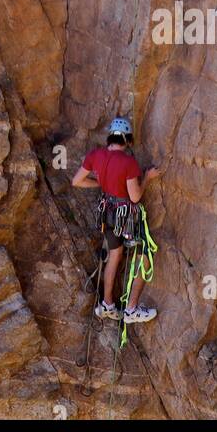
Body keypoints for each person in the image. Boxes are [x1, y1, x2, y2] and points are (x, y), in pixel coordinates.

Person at [71, 117, 160, 324]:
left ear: (109, 136)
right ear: (128, 140)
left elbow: (77, 181)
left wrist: (100, 184)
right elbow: (135, 197)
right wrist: (147, 178)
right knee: (145, 252)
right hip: (125, 217)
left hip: (107, 212)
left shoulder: (95, 155)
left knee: (114, 255)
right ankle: (131, 309)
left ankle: (108, 304)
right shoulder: (128, 163)